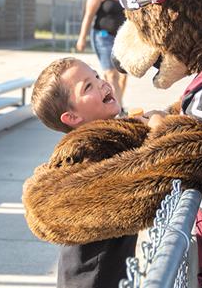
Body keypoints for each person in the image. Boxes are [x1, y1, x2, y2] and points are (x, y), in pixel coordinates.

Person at [30, 57, 136, 288]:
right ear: (73, 118)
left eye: (96, 76)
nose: (102, 84)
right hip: (91, 278)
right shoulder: (90, 152)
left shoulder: (111, 138)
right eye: (88, 86)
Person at [76, 0, 127, 110]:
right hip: (103, 37)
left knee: (122, 76)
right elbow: (89, 16)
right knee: (112, 74)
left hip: (121, 39)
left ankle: (112, 103)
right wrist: (82, 38)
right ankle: (119, 110)